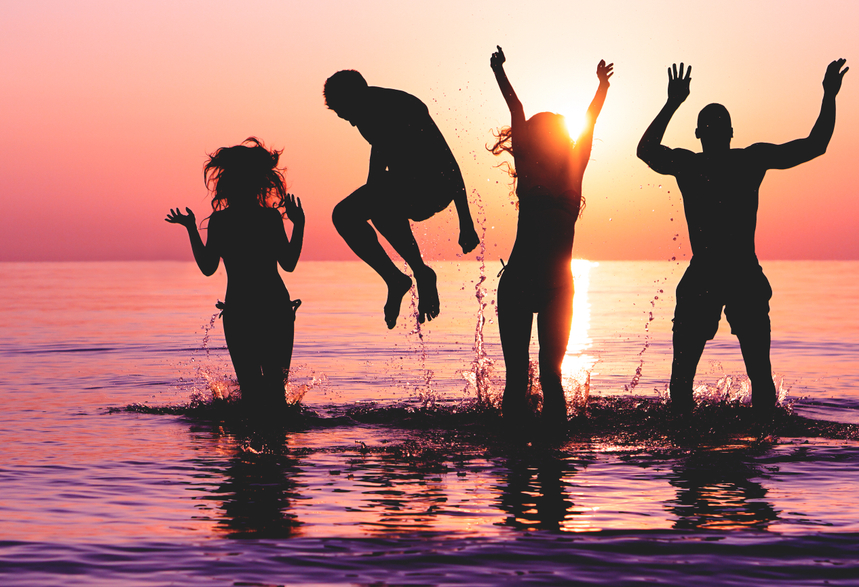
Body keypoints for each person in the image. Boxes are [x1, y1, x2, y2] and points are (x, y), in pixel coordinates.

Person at [637, 59, 848, 415]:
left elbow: (646, 151)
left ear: (704, 135)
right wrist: (828, 95)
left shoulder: (698, 165)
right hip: (732, 275)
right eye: (713, 127)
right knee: (750, 381)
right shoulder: (745, 161)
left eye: (716, 128)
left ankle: (689, 445)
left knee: (689, 382)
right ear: (721, 134)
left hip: (723, 276)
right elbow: (816, 144)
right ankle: (758, 444)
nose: (716, 133)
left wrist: (673, 103)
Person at [489, 46, 612, 428]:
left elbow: (590, 121)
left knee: (551, 378)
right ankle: (513, 463)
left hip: (559, 287)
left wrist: (602, 88)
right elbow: (517, 109)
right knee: (516, 381)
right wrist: (499, 72)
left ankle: (554, 459)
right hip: (517, 283)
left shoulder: (574, 173)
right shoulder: (527, 171)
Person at [324, 70, 481, 329]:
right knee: (346, 214)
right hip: (404, 188)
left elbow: (449, 163)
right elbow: (377, 168)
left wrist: (466, 222)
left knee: (373, 202)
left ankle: (418, 272)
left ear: (356, 97)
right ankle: (399, 278)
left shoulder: (402, 107)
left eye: (347, 113)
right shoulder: (369, 115)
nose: (350, 122)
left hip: (435, 187)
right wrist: (369, 199)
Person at [166, 137, 305, 417]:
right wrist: (299, 225)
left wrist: (192, 229)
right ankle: (279, 457)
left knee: (251, 395)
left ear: (226, 184)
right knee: (277, 396)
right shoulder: (269, 219)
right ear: (260, 183)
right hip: (275, 308)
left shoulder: (221, 221)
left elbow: (207, 268)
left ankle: (250, 457)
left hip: (240, 311)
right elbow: (288, 264)